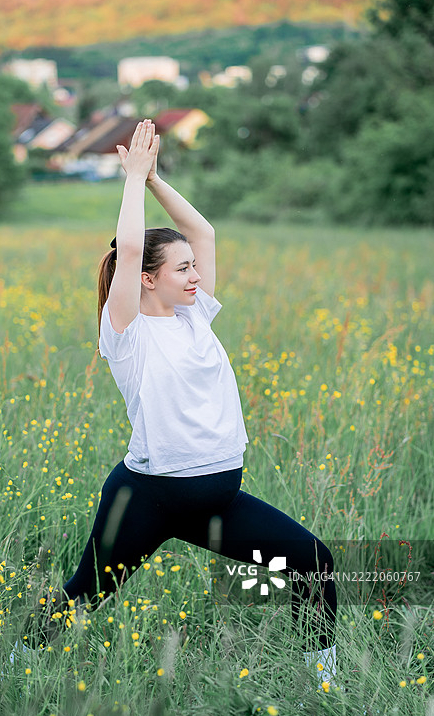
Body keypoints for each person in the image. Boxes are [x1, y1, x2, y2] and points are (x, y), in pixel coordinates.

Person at [27, 119, 337, 686]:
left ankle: (322, 683)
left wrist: (153, 181)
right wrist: (130, 180)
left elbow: (205, 231)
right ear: (147, 280)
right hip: (149, 499)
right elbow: (125, 254)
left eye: (194, 267)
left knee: (313, 562)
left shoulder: (196, 315)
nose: (196, 274)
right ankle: (22, 659)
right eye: (182, 268)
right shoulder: (127, 333)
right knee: (86, 594)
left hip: (217, 496)